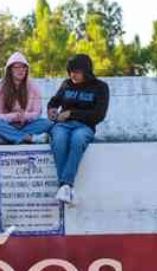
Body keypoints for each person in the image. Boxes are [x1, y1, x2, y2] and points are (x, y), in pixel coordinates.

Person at [47, 54, 109, 206]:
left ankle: (64, 184)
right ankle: (66, 188)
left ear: (86, 71)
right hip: (62, 125)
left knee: (77, 140)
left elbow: (99, 115)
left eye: (76, 71)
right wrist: (52, 110)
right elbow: (54, 101)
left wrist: (72, 113)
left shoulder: (100, 87)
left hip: (85, 126)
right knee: (59, 140)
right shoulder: (66, 84)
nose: (72, 75)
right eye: (70, 71)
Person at [0, 52, 52, 145]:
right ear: (10, 70)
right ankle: (28, 138)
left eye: (24, 67)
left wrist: (25, 116)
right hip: (7, 125)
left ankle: (8, 138)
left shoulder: (33, 87)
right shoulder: (1, 88)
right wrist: (14, 116)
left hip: (27, 125)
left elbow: (37, 113)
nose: (21, 70)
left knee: (47, 124)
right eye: (17, 67)